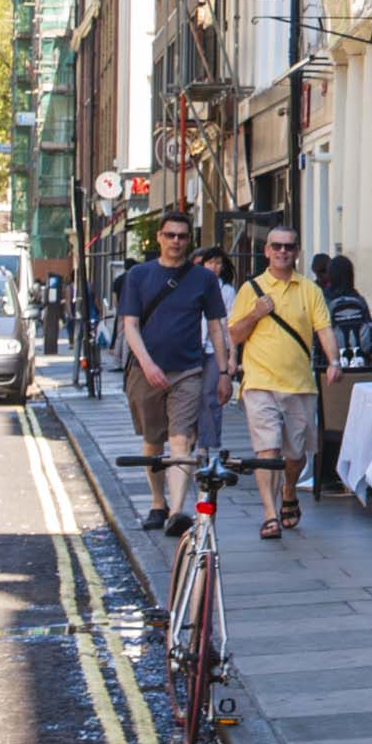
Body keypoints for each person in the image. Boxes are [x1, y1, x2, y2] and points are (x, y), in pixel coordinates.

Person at [118, 212, 234, 535]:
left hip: (188, 371)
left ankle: (178, 512)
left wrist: (224, 371)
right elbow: (130, 325)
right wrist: (148, 364)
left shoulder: (203, 280)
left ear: (189, 240)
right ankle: (158, 503)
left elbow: (216, 328)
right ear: (159, 237)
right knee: (153, 442)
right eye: (170, 235)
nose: (176, 241)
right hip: (146, 372)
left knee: (180, 439)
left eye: (182, 236)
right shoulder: (139, 276)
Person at [229, 229, 340, 539]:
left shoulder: (309, 290)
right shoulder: (251, 289)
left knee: (294, 455)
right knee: (268, 450)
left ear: (297, 252)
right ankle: (268, 514)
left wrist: (335, 361)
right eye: (276, 246)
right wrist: (255, 313)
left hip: (299, 385)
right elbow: (235, 335)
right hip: (260, 382)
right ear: (266, 251)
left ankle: (289, 491)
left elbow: (324, 330)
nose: (282, 252)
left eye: (288, 247)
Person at [193, 248, 238, 452]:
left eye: (218, 263)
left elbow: (231, 325)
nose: (214, 267)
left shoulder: (227, 291)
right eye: (210, 263)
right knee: (190, 395)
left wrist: (232, 356)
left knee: (210, 396)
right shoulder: (192, 288)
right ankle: (191, 435)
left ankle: (206, 446)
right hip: (192, 348)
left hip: (215, 350)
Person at [324, 255, 372, 366]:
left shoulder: (325, 300)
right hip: (360, 363)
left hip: (333, 364)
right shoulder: (359, 300)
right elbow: (371, 332)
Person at [40, 268, 64, 356]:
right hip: (52, 313)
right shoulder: (53, 288)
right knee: (51, 331)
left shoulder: (51, 288)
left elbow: (47, 301)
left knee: (50, 331)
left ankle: (50, 349)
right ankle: (51, 349)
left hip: (51, 313)